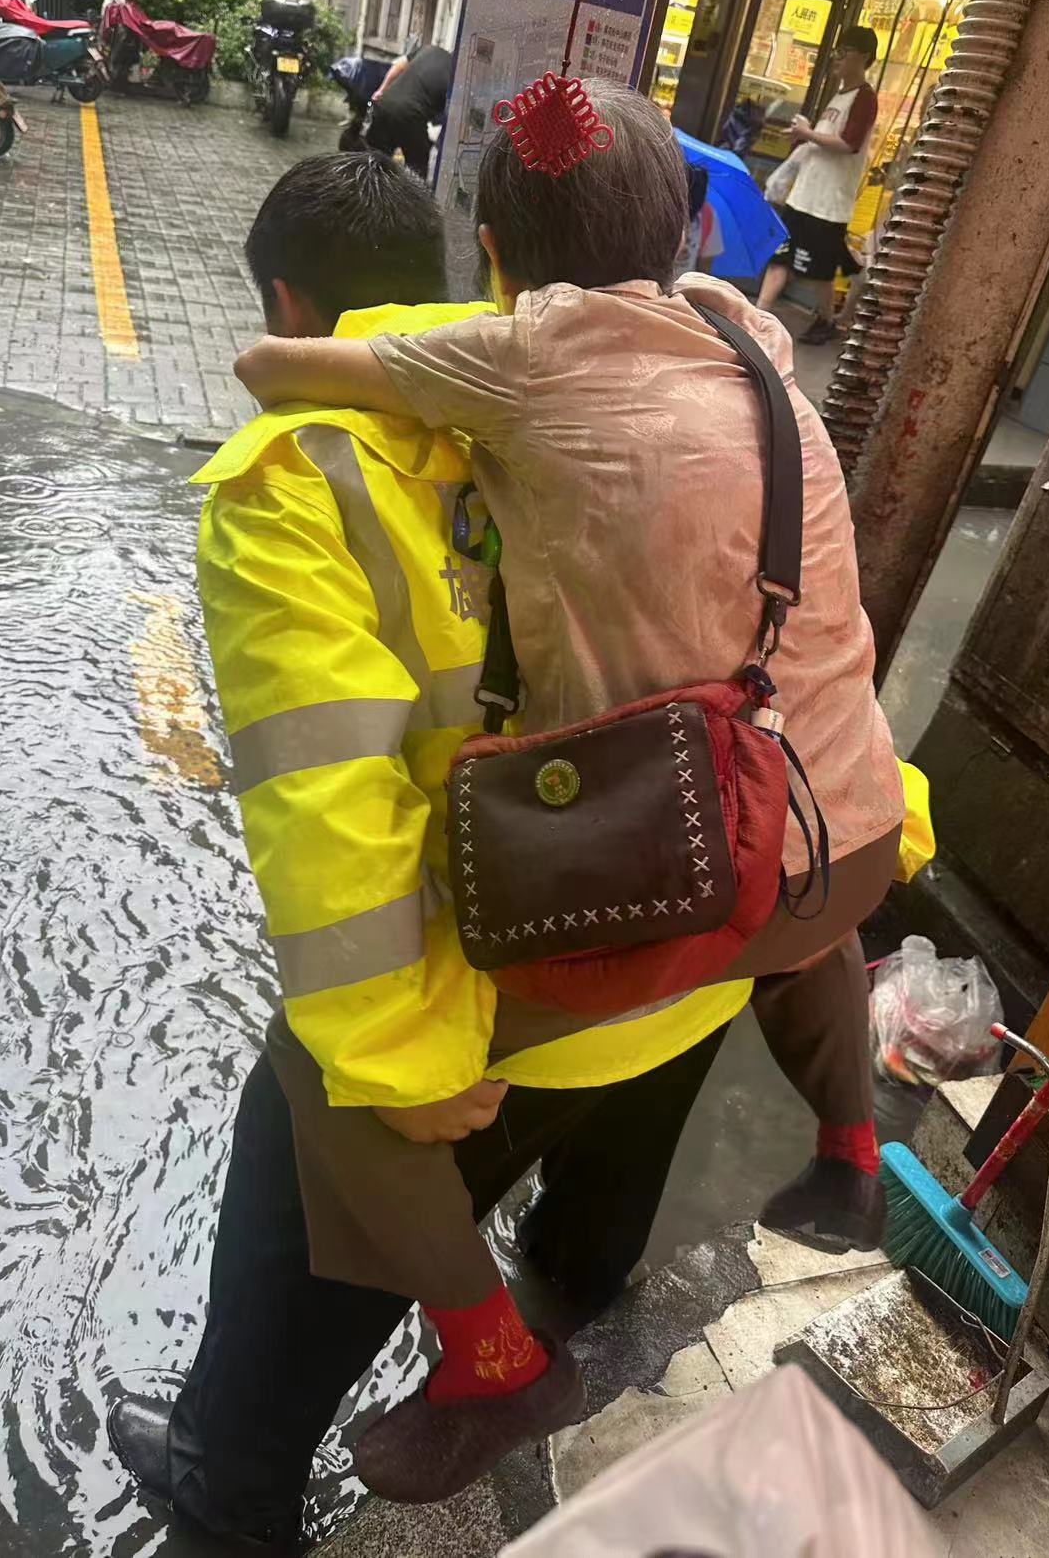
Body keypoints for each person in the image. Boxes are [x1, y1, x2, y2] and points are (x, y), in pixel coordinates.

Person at [106, 144, 913, 1550]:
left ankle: (237, 1486)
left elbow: (326, 806)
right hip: (725, 907)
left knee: (311, 1140)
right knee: (600, 1205)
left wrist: (393, 1056)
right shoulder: (738, 371)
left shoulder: (304, 472)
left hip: (511, 988)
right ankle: (586, 1295)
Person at [756, 25, 880, 346]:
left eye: (844, 52)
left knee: (819, 272)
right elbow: (825, 141)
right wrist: (804, 138)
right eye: (836, 51)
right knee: (781, 257)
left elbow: (849, 143)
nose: (836, 58)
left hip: (827, 205)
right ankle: (758, 315)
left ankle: (827, 318)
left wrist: (808, 134)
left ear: (864, 57)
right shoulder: (838, 94)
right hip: (803, 197)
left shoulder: (864, 97)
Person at [365, 34, 452, 177]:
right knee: (417, 170)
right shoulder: (456, 79)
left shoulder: (429, 49)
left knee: (372, 162)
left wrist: (381, 90)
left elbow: (399, 65)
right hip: (411, 115)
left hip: (385, 104)